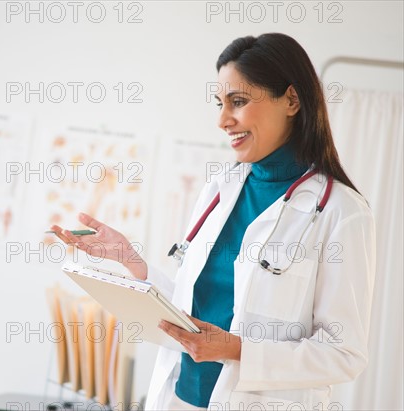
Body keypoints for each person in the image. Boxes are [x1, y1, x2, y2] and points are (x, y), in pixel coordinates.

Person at [50, 33, 376, 410]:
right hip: (180, 400)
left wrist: (238, 350)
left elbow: (344, 353)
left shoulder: (341, 211)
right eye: (220, 103)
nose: (223, 120)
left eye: (237, 102)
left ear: (291, 100)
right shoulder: (220, 189)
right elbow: (194, 314)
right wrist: (129, 259)